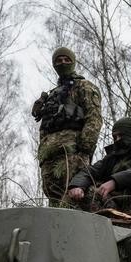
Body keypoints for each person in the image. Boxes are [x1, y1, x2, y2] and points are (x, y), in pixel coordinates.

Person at [32, 46, 102, 206]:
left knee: (71, 197)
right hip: (49, 155)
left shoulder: (84, 86)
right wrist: (42, 153)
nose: (62, 63)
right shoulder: (53, 94)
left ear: (73, 61)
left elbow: (94, 117)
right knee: (54, 199)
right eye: (58, 60)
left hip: (72, 152)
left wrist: (84, 148)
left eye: (66, 59)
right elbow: (45, 125)